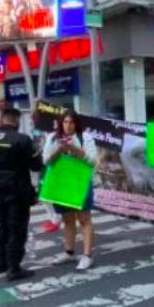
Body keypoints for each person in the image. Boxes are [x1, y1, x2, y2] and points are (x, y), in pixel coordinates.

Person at [0, 107, 43, 281]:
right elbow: (36, 165)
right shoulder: (23, 140)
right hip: (18, 191)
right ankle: (14, 268)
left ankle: (1, 264)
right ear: (16, 120)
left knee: (3, 227)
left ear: (1, 118)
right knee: (17, 229)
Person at [44, 110, 100, 270]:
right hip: (61, 183)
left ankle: (87, 255)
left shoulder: (85, 137)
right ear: (61, 123)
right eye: (65, 122)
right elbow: (46, 161)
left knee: (84, 219)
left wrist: (76, 150)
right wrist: (59, 150)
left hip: (80, 181)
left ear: (77, 124)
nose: (68, 126)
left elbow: (92, 161)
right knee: (67, 219)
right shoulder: (53, 138)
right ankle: (69, 252)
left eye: (72, 122)